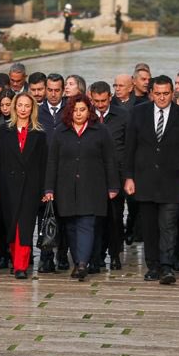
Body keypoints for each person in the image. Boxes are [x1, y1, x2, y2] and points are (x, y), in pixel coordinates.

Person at [123, 75, 179, 285]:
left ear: (172, 93)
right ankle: (153, 265)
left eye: (166, 93)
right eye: (158, 93)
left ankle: (166, 266)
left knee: (168, 224)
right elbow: (130, 147)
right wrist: (128, 177)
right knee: (148, 226)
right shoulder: (138, 112)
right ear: (151, 93)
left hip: (173, 179)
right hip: (145, 179)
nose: (162, 97)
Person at [42, 95, 118, 281]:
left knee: (87, 224)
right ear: (69, 111)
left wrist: (113, 185)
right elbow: (52, 162)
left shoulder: (100, 130)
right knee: (71, 227)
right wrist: (49, 188)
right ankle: (78, 262)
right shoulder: (60, 131)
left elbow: (110, 159)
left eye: (82, 110)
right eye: (75, 110)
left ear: (88, 111)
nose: (78, 113)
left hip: (93, 186)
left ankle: (83, 263)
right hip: (65, 187)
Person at [0, 92, 45, 280]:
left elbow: (44, 163)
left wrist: (45, 189)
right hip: (8, 186)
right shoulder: (5, 131)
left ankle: (21, 265)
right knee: (11, 225)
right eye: (20, 105)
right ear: (14, 107)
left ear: (32, 109)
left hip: (31, 186)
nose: (23, 109)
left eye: (27, 106)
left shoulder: (39, 133)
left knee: (25, 225)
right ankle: (16, 260)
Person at [89, 80, 127, 270]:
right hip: (93, 174)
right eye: (97, 101)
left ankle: (114, 254)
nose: (100, 105)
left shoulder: (123, 115)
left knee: (115, 217)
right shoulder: (86, 116)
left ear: (110, 97)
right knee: (95, 218)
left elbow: (129, 147)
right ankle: (96, 256)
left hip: (116, 175)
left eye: (104, 101)